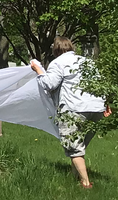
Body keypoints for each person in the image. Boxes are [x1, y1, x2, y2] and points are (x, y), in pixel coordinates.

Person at [30, 36, 109, 189]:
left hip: (74, 108)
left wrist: (38, 70)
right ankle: (74, 175)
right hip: (96, 109)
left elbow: (49, 84)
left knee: (74, 147)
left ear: (55, 50)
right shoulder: (87, 62)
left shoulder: (58, 63)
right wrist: (106, 103)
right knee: (80, 147)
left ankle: (86, 183)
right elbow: (100, 84)